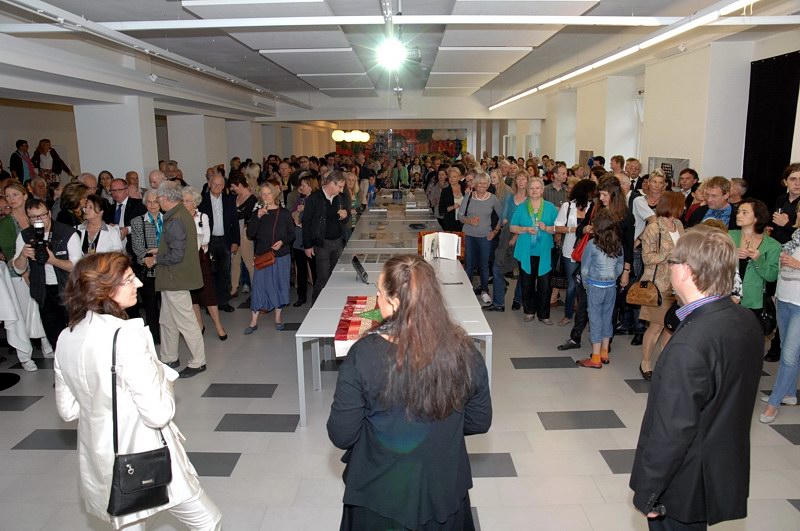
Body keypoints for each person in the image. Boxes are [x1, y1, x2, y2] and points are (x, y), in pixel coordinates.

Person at [54, 251, 222, 530]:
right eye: (130, 279)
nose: (140, 284)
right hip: (143, 453)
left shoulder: (65, 336)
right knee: (207, 521)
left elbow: (68, 410)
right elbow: (158, 413)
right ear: (104, 290)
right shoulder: (126, 336)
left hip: (100, 457)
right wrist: (164, 376)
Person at [327, 254, 492, 530]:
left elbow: (342, 434)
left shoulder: (363, 355)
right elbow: (479, 421)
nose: (376, 298)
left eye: (379, 292)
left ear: (395, 303)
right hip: (444, 490)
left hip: (378, 497)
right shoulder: (465, 352)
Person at [630, 226, 762, 530]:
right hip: (718, 469)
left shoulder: (690, 344)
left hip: (681, 484)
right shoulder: (745, 320)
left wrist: (649, 491)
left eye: (672, 262)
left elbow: (673, 430)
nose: (669, 268)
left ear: (687, 271)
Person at [12, 198, 81, 352]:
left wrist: (53, 260)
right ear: (28, 219)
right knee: (54, 335)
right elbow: (18, 269)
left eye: (42, 215)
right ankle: (60, 361)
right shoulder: (25, 236)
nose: (38, 220)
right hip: (44, 292)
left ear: (49, 213)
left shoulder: (67, 233)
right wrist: (23, 255)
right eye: (33, 217)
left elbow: (76, 267)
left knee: (76, 332)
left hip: (69, 289)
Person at [154, 182, 206, 378]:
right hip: (172, 278)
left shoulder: (176, 219)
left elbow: (176, 254)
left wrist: (156, 259)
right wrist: (159, 251)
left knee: (186, 322)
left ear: (166, 198)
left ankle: (198, 362)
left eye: (158, 198)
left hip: (176, 278)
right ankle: (169, 357)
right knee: (167, 320)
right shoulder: (179, 214)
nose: (157, 202)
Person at [637, 192, 686, 380]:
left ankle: (664, 362)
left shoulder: (679, 225)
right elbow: (647, 258)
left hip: (678, 284)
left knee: (671, 326)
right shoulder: (653, 228)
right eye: (681, 205)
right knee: (656, 326)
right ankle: (645, 363)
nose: (683, 208)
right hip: (659, 284)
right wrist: (670, 255)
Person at [761, 210, 800, 422]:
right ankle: (789, 394)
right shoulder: (795, 236)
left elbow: (792, 264)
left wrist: (797, 265)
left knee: (789, 356)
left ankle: (773, 403)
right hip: (784, 298)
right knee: (788, 351)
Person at [575, 209, 624, 368]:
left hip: (595, 286)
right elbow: (620, 267)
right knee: (607, 318)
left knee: (595, 319)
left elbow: (584, 269)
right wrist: (613, 278)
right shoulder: (618, 244)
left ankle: (595, 358)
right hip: (611, 287)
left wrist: (586, 285)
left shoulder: (592, 244)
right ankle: (605, 352)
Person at [245, 181, 295, 333]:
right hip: (262, 255)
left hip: (281, 256)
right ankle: (253, 322)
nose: (266, 196)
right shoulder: (257, 213)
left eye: (269, 193)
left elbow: (292, 234)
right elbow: (250, 234)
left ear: (275, 194)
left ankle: (278, 318)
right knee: (259, 286)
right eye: (263, 194)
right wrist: (257, 217)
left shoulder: (284, 213)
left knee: (280, 286)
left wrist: (282, 242)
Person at [510, 177, 558, 325]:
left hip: (544, 251)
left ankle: (544, 315)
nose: (534, 191)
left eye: (537, 188)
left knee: (545, 284)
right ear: (527, 190)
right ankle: (529, 311)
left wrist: (547, 228)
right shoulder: (521, 207)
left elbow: (557, 229)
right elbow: (512, 227)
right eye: (531, 188)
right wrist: (525, 229)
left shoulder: (550, 207)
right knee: (527, 282)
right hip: (526, 251)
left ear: (542, 190)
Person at [183, 187, 228, 341]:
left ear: (195, 203)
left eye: (188, 201)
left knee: (208, 293)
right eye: (183, 200)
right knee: (192, 295)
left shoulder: (203, 217)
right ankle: (199, 324)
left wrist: (190, 240)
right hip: (186, 261)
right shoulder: (179, 218)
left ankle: (218, 325)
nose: (185, 203)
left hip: (201, 259)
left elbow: (206, 238)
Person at [302, 170, 350, 301]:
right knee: (323, 277)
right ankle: (315, 307)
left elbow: (346, 219)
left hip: (338, 241)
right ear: (331, 183)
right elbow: (306, 222)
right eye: (340, 186)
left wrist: (345, 216)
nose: (341, 190)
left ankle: (332, 303)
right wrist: (307, 245)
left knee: (335, 276)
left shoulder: (341, 197)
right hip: (321, 243)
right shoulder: (314, 198)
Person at [554, 179, 596, 327]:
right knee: (572, 285)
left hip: (588, 251)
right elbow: (557, 227)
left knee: (587, 285)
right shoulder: (567, 206)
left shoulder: (593, 207)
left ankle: (585, 317)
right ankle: (568, 314)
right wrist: (575, 229)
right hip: (570, 250)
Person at [458, 173, 502, 306]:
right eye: (479, 183)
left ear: (488, 185)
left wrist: (495, 231)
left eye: (485, 183)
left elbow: (502, 217)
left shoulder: (493, 199)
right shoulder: (469, 196)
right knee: (469, 265)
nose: (482, 186)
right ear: (475, 184)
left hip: (485, 237)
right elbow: (460, 216)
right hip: (468, 235)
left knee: (484, 265)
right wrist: (469, 221)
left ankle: (484, 291)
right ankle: (467, 291)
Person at [199, 169, 240, 313]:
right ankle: (210, 304)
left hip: (225, 240)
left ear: (224, 186)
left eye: (220, 184)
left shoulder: (229, 200)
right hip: (207, 242)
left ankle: (223, 302)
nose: (217, 187)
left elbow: (235, 222)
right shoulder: (201, 200)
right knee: (209, 273)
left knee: (224, 272)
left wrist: (235, 241)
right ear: (209, 184)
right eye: (214, 184)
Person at [130, 189, 163, 344]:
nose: (152, 205)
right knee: (151, 306)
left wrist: (157, 253)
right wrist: (153, 256)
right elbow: (137, 247)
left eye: (155, 201)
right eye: (149, 202)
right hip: (147, 269)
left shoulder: (169, 219)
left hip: (166, 268)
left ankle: (168, 334)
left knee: (166, 305)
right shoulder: (137, 222)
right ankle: (154, 337)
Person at [288, 175, 317, 307]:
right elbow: (292, 213)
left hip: (311, 239)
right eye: (301, 185)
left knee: (315, 269)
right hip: (299, 237)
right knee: (301, 269)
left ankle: (317, 296)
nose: (301, 187)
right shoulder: (300, 199)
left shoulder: (316, 199)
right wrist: (296, 213)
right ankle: (301, 296)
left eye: (304, 185)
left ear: (310, 186)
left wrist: (304, 211)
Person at [229, 172, 258, 297]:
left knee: (249, 262)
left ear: (240, 184)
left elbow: (243, 215)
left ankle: (256, 289)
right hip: (235, 232)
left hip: (245, 233)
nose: (232, 189)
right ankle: (234, 287)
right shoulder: (235, 197)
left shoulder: (252, 199)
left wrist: (233, 214)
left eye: (233, 186)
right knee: (234, 262)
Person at [439, 166, 465, 232]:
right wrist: (453, 207)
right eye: (450, 177)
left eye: (454, 176)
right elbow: (441, 209)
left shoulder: (465, 188)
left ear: (459, 177)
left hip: (465, 221)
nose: (452, 179)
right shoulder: (445, 191)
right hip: (450, 223)